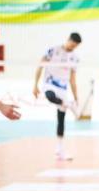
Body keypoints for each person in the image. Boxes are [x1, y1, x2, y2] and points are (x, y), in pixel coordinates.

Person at [33, 32, 81, 160]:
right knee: (49, 96)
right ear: (68, 39)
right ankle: (68, 104)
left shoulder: (75, 58)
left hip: (63, 89)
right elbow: (40, 66)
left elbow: (73, 79)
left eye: (75, 46)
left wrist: (76, 97)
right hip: (50, 84)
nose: (73, 47)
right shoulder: (53, 50)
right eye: (72, 44)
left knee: (61, 120)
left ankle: (60, 150)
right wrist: (35, 85)